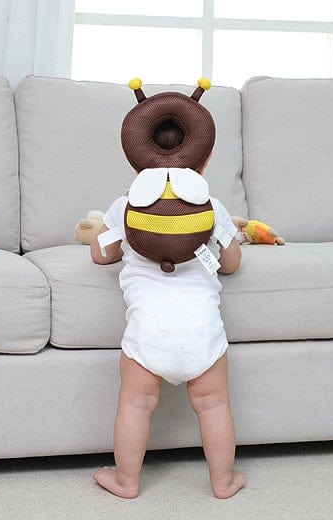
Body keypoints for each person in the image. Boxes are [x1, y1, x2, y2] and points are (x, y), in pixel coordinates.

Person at [89, 79, 245, 499]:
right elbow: (231, 263)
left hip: (147, 333)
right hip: (202, 331)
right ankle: (223, 480)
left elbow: (101, 255)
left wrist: (103, 234)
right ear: (202, 161)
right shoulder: (211, 206)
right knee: (213, 405)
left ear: (139, 157)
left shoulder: (127, 204)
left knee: (135, 404)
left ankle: (126, 480)